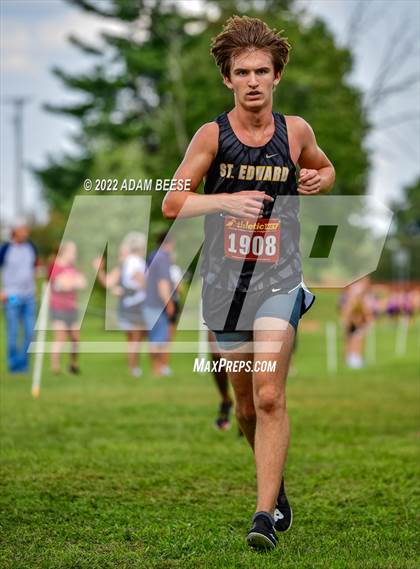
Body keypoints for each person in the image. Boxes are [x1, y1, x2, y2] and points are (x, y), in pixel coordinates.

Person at [162, 16, 335, 550]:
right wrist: (223, 201)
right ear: (228, 79)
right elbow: (173, 201)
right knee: (242, 404)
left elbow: (326, 170)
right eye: (243, 72)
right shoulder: (211, 136)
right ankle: (275, 485)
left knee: (268, 393)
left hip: (279, 279)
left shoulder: (296, 131)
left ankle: (263, 517)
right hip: (223, 284)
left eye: (263, 70)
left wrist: (317, 179)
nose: (254, 80)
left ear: (277, 76)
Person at [94, 232, 147, 377]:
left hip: (125, 305)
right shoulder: (137, 262)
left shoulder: (124, 264)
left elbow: (108, 283)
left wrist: (99, 270)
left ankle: (133, 367)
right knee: (136, 337)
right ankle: (134, 368)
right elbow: (141, 281)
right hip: (137, 304)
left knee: (131, 338)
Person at [0, 219, 37, 374]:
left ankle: (23, 364)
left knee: (30, 333)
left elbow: (35, 266)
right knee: (13, 332)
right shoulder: (6, 249)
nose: (26, 233)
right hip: (12, 296)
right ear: (15, 231)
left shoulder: (31, 247)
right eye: (23, 230)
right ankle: (14, 365)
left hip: (29, 297)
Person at [48, 241, 86, 374]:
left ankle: (73, 365)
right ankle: (55, 368)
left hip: (72, 308)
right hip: (58, 308)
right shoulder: (55, 266)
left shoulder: (73, 267)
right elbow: (63, 286)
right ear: (64, 252)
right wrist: (72, 282)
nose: (75, 255)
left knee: (75, 338)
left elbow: (83, 283)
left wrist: (70, 282)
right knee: (60, 338)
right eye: (72, 252)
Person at [144, 232, 175, 377]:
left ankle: (157, 368)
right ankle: (157, 370)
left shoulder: (153, 255)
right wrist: (169, 303)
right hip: (157, 304)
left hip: (149, 302)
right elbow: (162, 283)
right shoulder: (162, 257)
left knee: (155, 337)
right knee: (159, 338)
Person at [341, 277, 373, 369]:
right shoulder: (354, 289)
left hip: (359, 317)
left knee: (358, 338)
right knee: (351, 338)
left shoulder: (361, 290)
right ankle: (351, 358)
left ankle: (356, 357)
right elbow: (349, 305)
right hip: (353, 317)